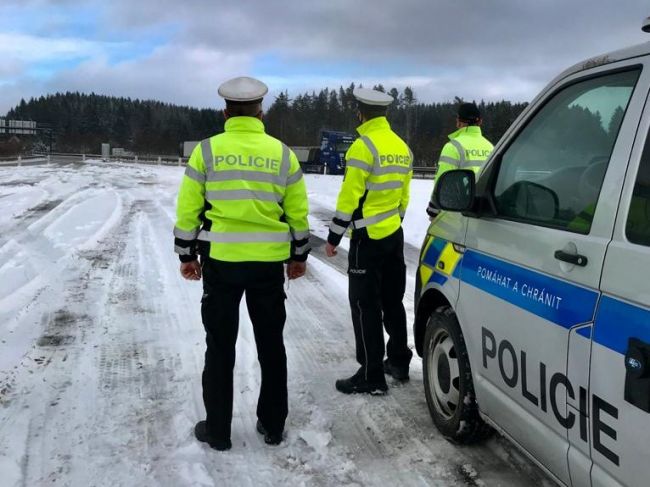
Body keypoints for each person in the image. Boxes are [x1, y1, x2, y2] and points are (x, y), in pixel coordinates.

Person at [173, 76, 310, 451]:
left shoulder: (207, 151)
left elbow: (188, 209)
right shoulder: (283, 154)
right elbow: (297, 212)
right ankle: (273, 425)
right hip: (267, 267)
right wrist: (298, 256)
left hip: (222, 263)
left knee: (220, 347)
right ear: (260, 111)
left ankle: (218, 432)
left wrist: (186, 255)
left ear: (225, 112)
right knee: (271, 346)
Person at [325, 87, 413, 395]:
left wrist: (335, 235)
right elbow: (404, 197)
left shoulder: (363, 147)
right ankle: (399, 361)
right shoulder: (402, 147)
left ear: (361, 113)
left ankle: (371, 374)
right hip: (393, 235)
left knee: (364, 305)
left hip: (367, 239)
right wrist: (393, 221)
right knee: (392, 300)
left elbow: (349, 197)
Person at [426, 102, 494, 217]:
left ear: (458, 122)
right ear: (480, 122)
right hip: (485, 213)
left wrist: (433, 211)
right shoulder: (491, 147)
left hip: (456, 214)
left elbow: (442, 182)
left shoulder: (453, 146)